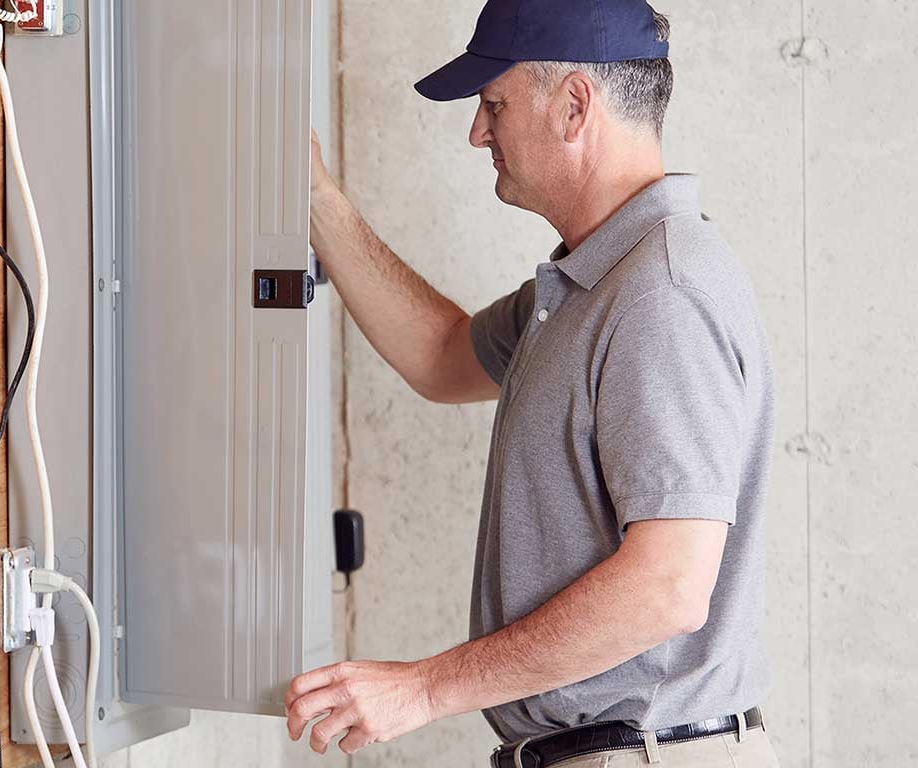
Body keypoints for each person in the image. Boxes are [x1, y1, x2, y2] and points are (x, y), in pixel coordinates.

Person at [285, 1, 781, 765]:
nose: (478, 133)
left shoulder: (661, 294)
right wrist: (317, 198)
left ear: (574, 106)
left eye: (494, 105)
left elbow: (670, 585)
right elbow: (443, 354)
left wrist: (422, 689)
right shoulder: (591, 284)